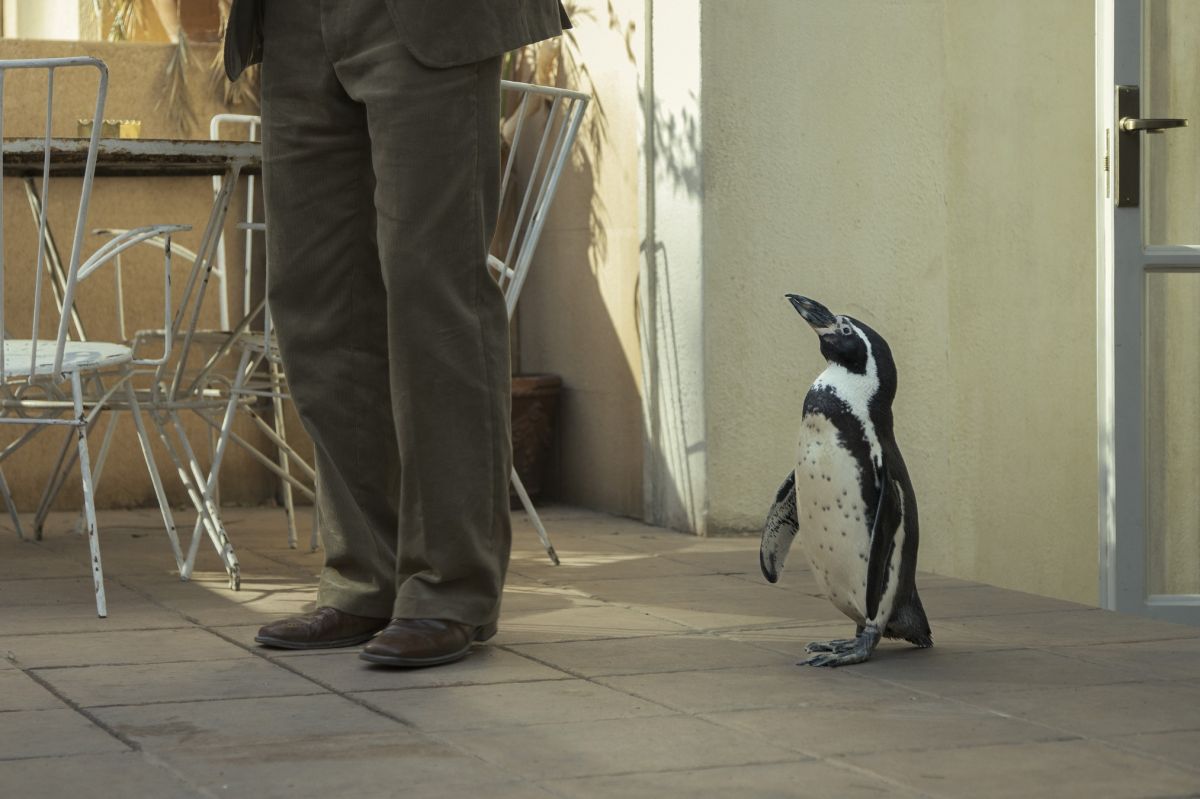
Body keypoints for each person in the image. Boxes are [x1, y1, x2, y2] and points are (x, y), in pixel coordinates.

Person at [222, 0, 569, 667]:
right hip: (294, 23)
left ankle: (450, 589)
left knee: (431, 292)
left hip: (424, 18)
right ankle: (362, 577)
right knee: (315, 298)